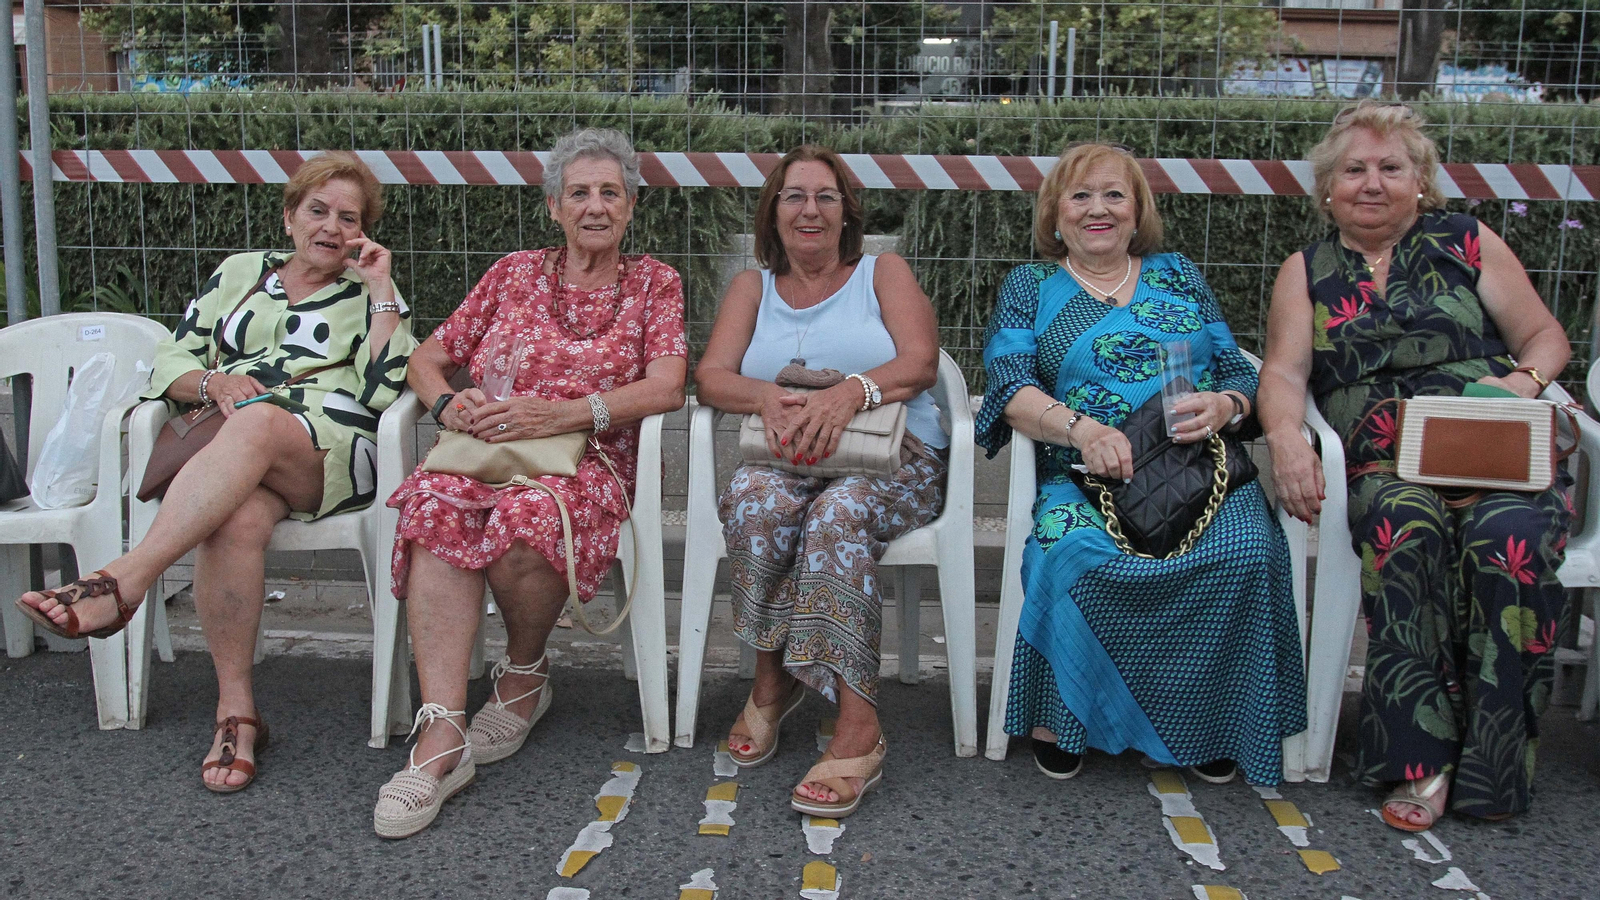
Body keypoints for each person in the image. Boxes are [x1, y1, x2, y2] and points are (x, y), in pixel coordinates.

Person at [13, 151, 416, 793]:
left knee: (255, 419)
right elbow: (169, 362)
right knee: (235, 520)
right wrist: (213, 378)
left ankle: (126, 579)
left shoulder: (367, 291)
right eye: (318, 211)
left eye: (350, 217)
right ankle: (237, 714)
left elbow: (385, 387)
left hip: (329, 454)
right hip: (234, 461)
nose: (333, 228)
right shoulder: (239, 274)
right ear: (289, 218)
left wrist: (381, 291)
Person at [1257, 102, 1572, 831]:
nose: (1372, 183)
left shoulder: (1466, 242)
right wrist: (1284, 437)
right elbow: (1282, 372)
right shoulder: (1306, 270)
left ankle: (1491, 765)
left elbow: (1545, 338)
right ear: (1328, 188)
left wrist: (1520, 385)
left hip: (1493, 452)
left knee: (1509, 540)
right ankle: (1419, 759)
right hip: (1385, 461)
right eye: (1354, 170)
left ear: (1420, 182)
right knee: (1404, 526)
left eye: (1391, 168)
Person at [375, 128, 687, 839]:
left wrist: (566, 412)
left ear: (632, 205)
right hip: (479, 451)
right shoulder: (512, 271)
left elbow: (668, 385)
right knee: (433, 504)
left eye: (611, 192)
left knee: (527, 518)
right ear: (554, 207)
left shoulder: (653, 283)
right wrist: (449, 404)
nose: (595, 205)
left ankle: (523, 674)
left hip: (586, 463)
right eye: (579, 192)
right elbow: (429, 358)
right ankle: (442, 734)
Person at [976, 141, 1305, 786]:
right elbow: (1009, 386)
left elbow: (1239, 367)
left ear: (1136, 211)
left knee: (1247, 551)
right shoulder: (1031, 286)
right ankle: (1062, 717)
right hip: (1086, 475)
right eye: (1080, 196)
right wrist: (1082, 430)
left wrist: (1226, 402)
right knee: (1069, 553)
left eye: (1113, 195)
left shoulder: (1177, 273)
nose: (1097, 209)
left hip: (1196, 471)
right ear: (1056, 213)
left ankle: (1210, 722)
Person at [694, 145, 948, 819]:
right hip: (788, 456)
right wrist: (765, 398)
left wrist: (853, 393)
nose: (810, 209)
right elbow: (713, 376)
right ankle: (773, 680)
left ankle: (859, 723)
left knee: (838, 517)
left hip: (894, 457)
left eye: (826, 197)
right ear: (772, 214)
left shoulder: (880, 272)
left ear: (847, 214)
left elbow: (921, 361)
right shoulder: (753, 287)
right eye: (794, 196)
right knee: (755, 505)